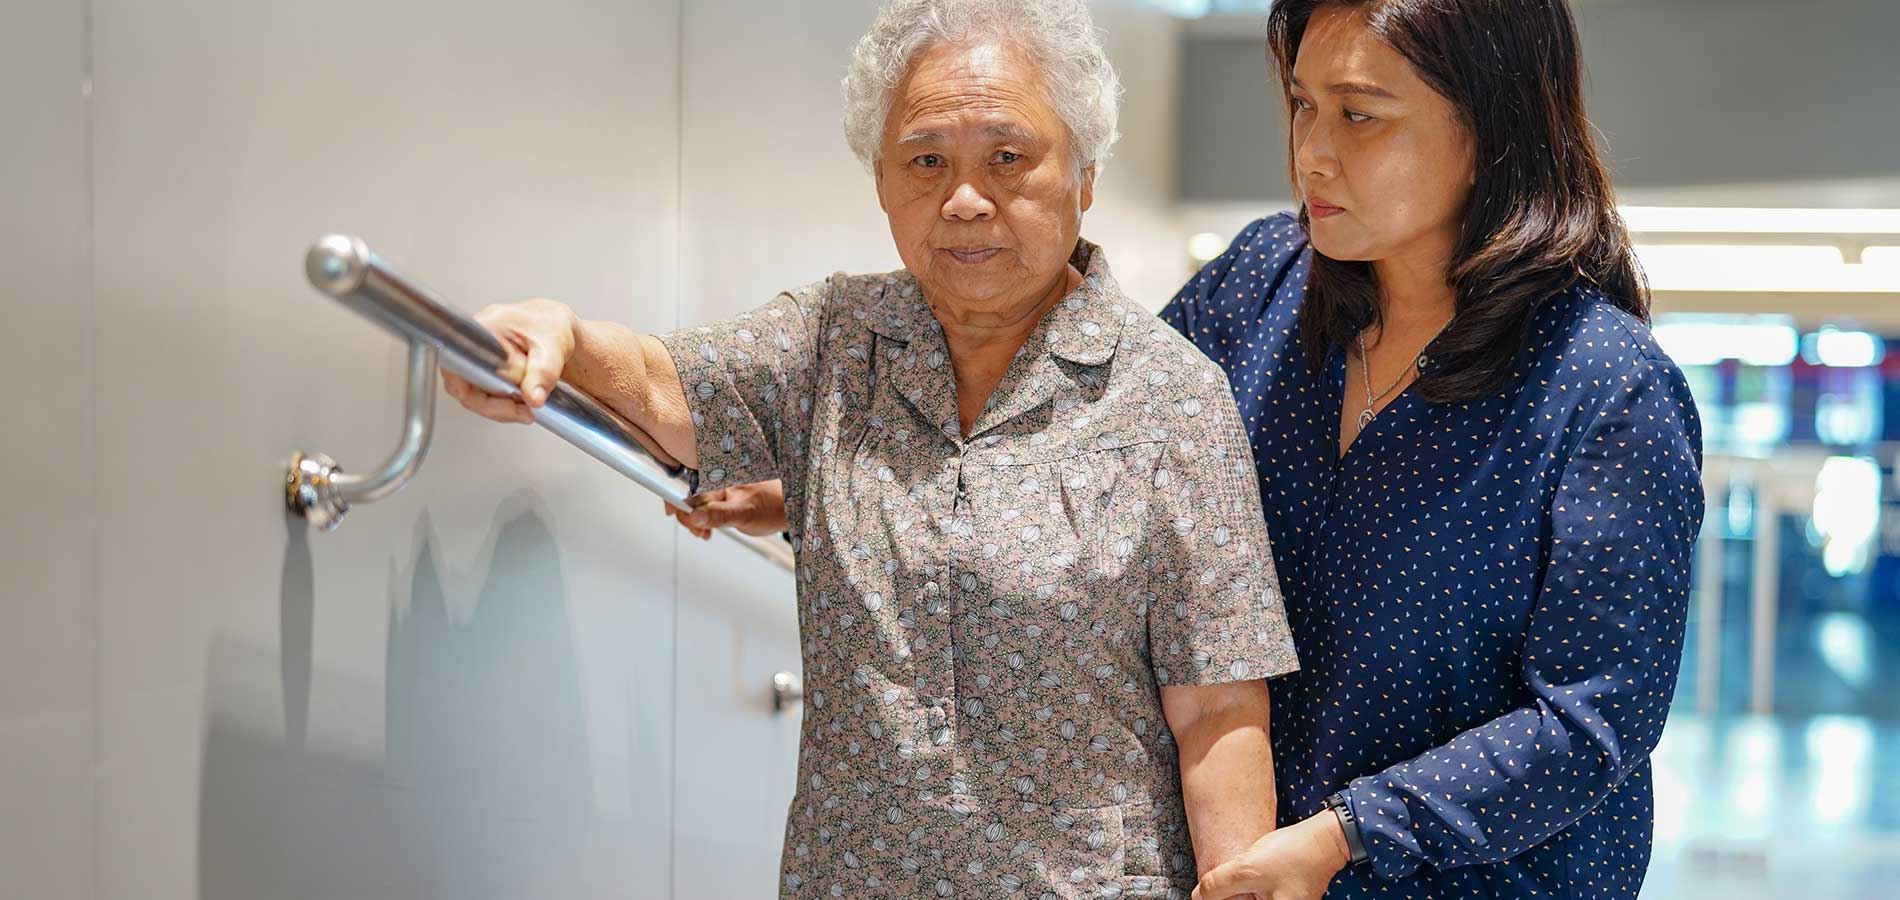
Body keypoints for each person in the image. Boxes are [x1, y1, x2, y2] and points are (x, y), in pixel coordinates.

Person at [682, 2, 1707, 898]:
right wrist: (820, 488)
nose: (1311, 149)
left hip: (1466, 882)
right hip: (1238, 864)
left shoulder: (1604, 390)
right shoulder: (1264, 280)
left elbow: (1592, 721)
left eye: (1358, 114)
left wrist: (1346, 835)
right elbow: (1093, 441)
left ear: (1489, 126)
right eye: (1301, 104)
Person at [445, 2, 1300, 897]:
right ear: (883, 182)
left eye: (1008, 157)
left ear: (1084, 174)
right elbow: (666, 384)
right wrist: (563, 336)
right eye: (925, 161)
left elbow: (1219, 707)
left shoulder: (1172, 398)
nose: (964, 199)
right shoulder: (833, 341)